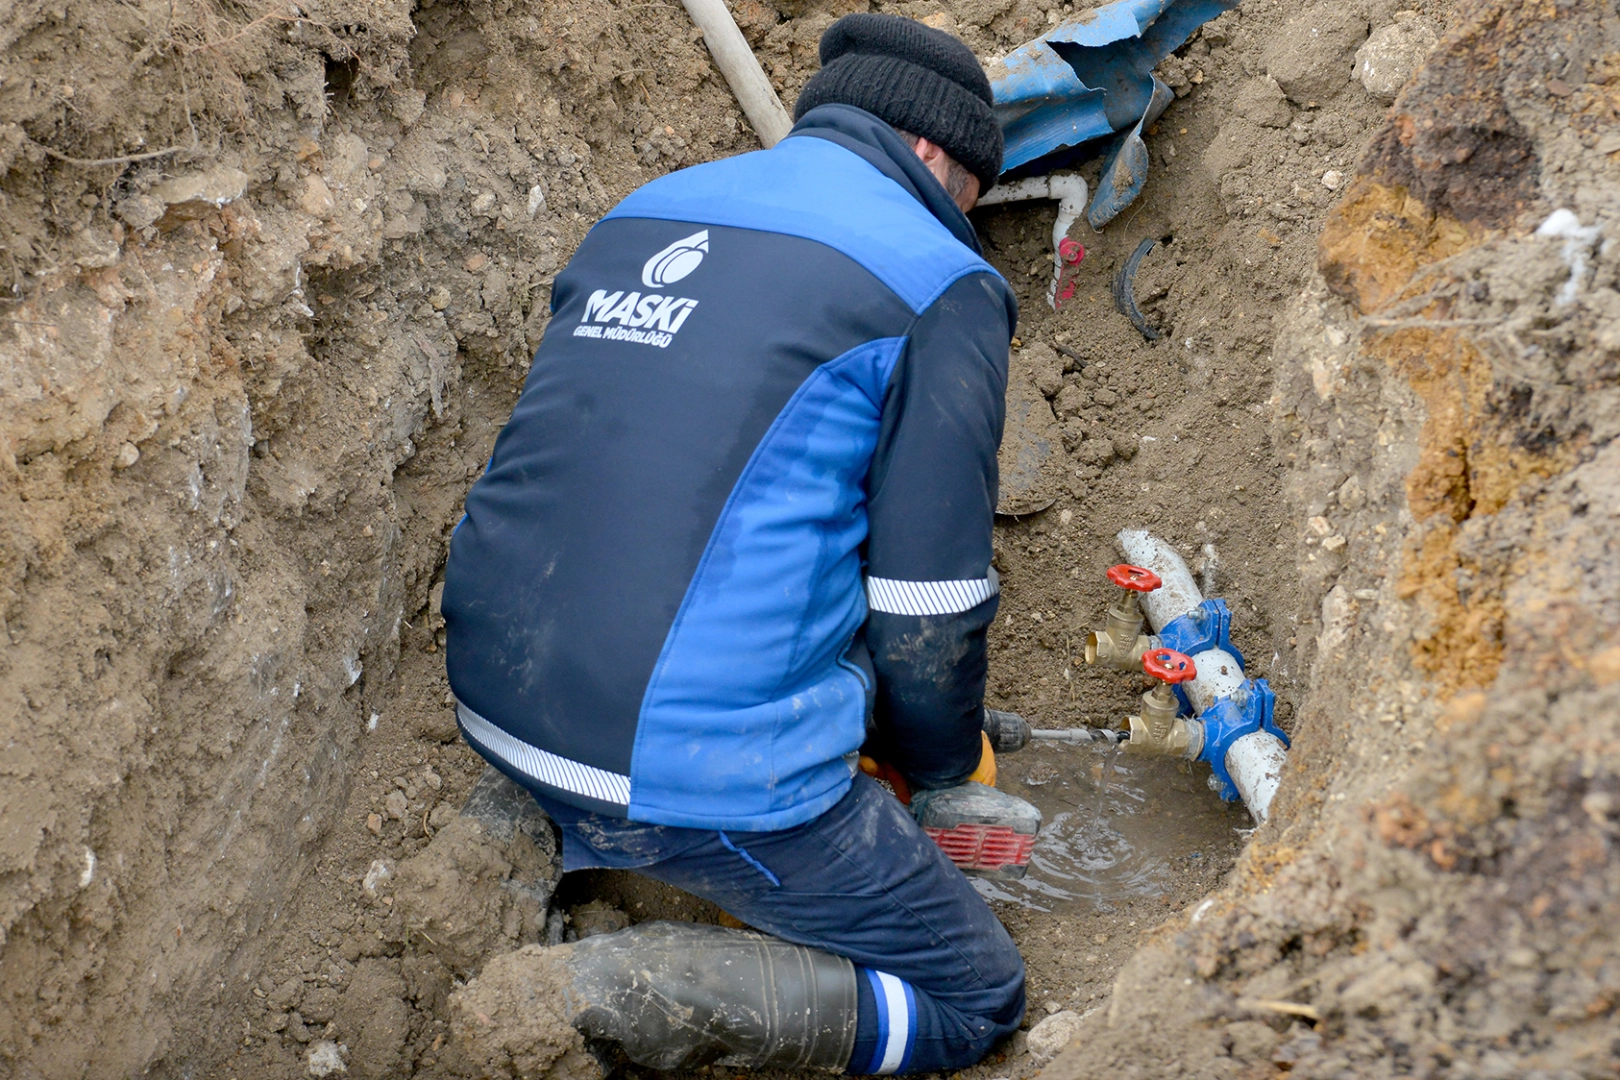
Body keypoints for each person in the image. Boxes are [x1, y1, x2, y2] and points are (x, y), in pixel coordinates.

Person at [442, 13, 1030, 1075]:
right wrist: (943, 768)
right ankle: (601, 993)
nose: (969, 225)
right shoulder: (942, 278)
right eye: (975, 202)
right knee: (977, 997)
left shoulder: (646, 209)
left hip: (494, 693)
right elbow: (925, 601)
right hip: (671, 768)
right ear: (939, 157)